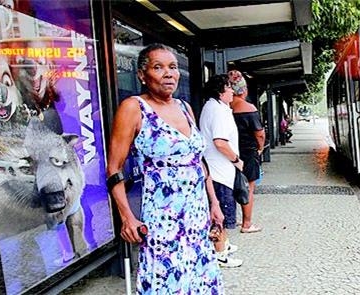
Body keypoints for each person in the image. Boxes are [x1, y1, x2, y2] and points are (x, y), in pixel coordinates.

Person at [107, 43, 224, 293]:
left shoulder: (184, 107)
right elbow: (113, 169)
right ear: (142, 75)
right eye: (158, 67)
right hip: (163, 217)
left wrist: (214, 203)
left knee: (199, 278)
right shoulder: (134, 108)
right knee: (166, 281)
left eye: (172, 67)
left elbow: (198, 161)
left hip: (197, 214)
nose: (168, 73)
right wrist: (127, 218)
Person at [199, 74, 244, 267]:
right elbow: (220, 142)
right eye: (229, 88)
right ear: (220, 92)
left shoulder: (213, 107)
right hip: (219, 171)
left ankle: (223, 243)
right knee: (221, 214)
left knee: (220, 211)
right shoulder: (217, 111)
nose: (232, 91)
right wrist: (236, 160)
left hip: (217, 170)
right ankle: (220, 255)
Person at [228, 70, 265, 234]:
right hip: (248, 152)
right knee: (248, 187)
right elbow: (259, 133)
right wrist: (260, 147)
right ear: (244, 89)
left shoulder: (226, 107)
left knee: (232, 185)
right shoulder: (248, 107)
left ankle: (232, 218)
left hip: (231, 153)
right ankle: (247, 224)